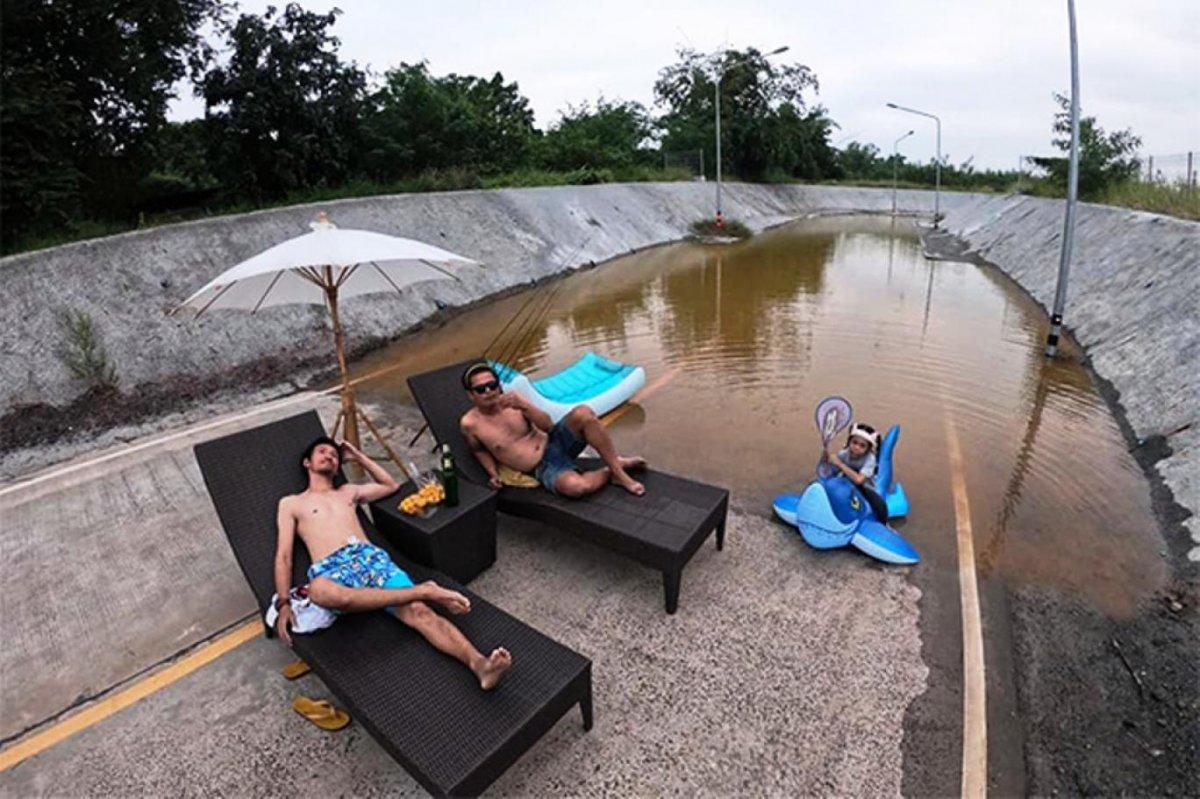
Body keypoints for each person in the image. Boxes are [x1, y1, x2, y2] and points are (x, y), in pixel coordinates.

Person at [274, 436, 512, 690]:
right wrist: (284, 603)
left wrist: (358, 457)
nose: (330, 456)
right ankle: (424, 589)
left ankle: (480, 665)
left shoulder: (348, 492)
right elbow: (284, 556)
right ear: (307, 462)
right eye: (322, 452)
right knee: (320, 591)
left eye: (334, 455)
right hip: (332, 569)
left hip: (370, 559)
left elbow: (391, 485)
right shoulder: (291, 503)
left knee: (421, 612)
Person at [458, 362, 646, 498]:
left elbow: (548, 426)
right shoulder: (470, 424)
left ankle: (620, 474)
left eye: (492, 386)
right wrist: (493, 474)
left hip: (554, 441)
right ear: (470, 395)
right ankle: (612, 469)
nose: (489, 392)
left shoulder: (513, 402)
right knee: (577, 488)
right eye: (481, 389)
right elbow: (479, 450)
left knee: (584, 413)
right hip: (543, 467)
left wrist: (524, 406)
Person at [825, 422, 890, 522]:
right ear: (849, 441)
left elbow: (859, 480)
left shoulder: (870, 459)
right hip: (847, 483)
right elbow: (833, 472)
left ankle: (885, 524)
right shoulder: (844, 453)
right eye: (854, 442)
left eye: (862, 446)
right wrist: (827, 460)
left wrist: (840, 464)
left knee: (880, 505)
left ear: (868, 449)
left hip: (865, 488)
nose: (857, 447)